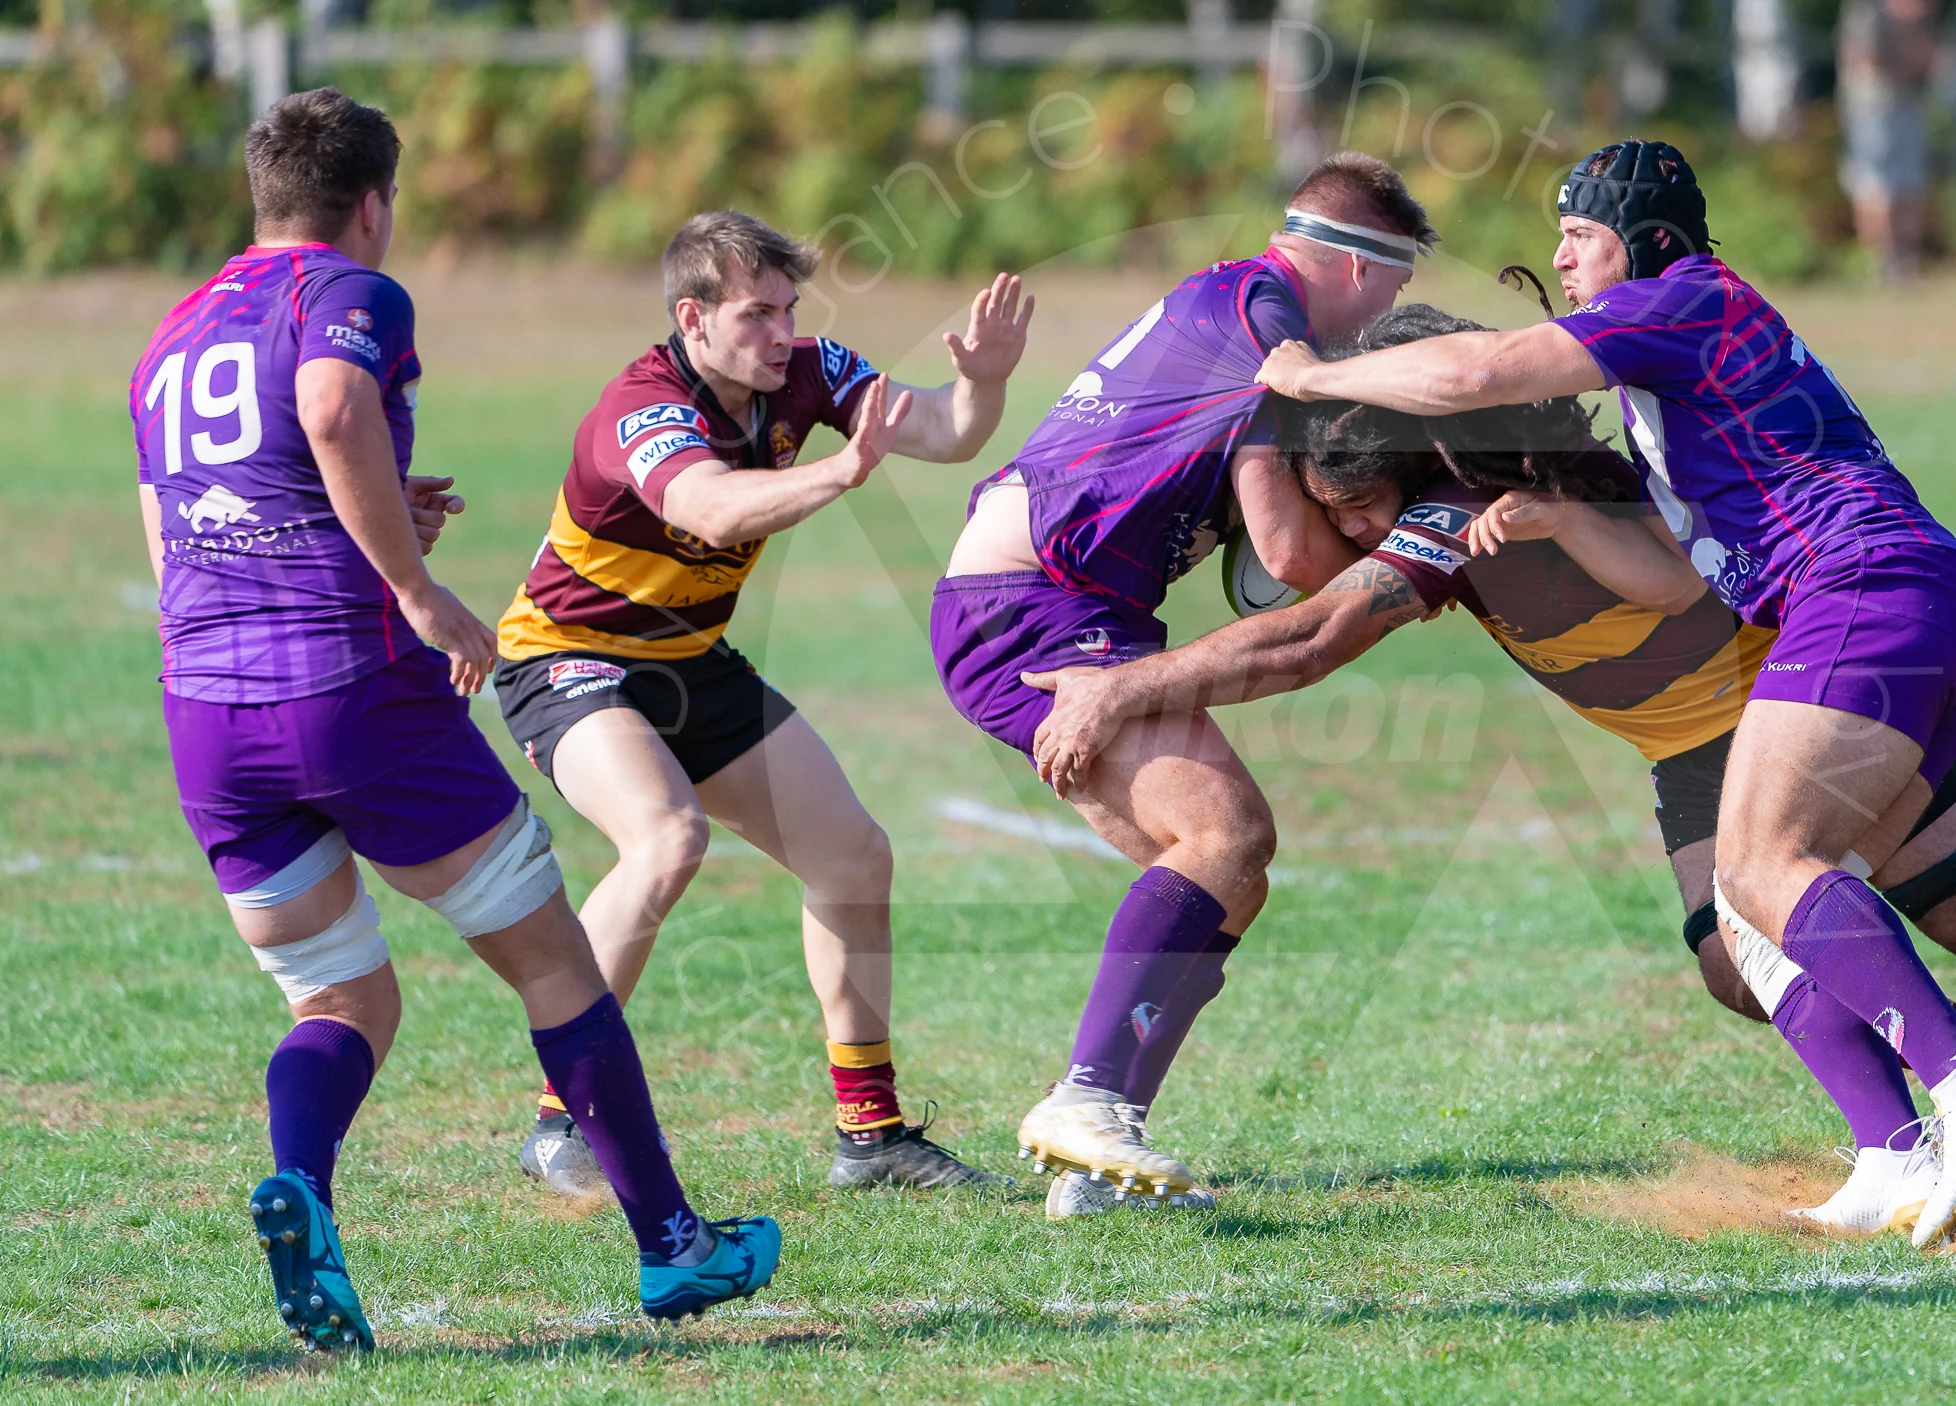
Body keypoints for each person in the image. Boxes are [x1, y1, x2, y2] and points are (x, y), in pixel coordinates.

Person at [1251, 141, 1956, 1244]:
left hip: (1865, 592)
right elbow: (1680, 570)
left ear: (1648, 243)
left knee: (1759, 868)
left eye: (1580, 235)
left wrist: (1308, 377)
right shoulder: (1663, 378)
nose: (1560, 256)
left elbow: (1477, 374)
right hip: (1908, 600)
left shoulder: (1676, 302)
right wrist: (1566, 520)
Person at [1024, 302, 1956, 1235]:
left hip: (1788, 711)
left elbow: (1310, 640)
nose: (1355, 536)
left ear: (1416, 469)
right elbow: (1302, 588)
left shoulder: (1476, 509)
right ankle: (1923, 1133)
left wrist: (1127, 684)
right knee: (1737, 959)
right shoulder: (1475, 508)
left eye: (1356, 507)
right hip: (1690, 743)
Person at [130, 89, 775, 1349]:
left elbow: (184, 524)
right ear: (372, 203)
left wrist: (349, 525)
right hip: (352, 693)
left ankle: (301, 1186)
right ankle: (672, 1244)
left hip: (207, 708)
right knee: (552, 964)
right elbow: (326, 408)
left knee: (342, 1004)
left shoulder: (174, 326)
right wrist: (418, 591)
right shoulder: (352, 293)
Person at [929, 151, 1427, 1218]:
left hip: (1048, 601)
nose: (1384, 322)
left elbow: (1267, 532)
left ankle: (1099, 1159)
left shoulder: (1233, 322)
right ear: (1347, 264)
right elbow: (1289, 558)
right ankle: (1088, 1099)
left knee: (1227, 871)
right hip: (1029, 602)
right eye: (1389, 293)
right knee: (1225, 833)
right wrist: (1422, 555)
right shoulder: (1262, 314)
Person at [493, 211, 1030, 1193]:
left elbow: (946, 432)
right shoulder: (641, 407)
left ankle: (871, 1137)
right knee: (664, 837)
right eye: (756, 314)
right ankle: (558, 1120)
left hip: (690, 656)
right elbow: (706, 505)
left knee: (853, 854)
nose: (780, 332)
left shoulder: (810, 369)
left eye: (788, 309)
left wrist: (981, 380)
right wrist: (842, 468)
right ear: (692, 318)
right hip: (566, 658)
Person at [1838, 0, 1938, 285]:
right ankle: (1877, 265)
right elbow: (1869, 58)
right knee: (1873, 187)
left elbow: (1933, 60)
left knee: (1909, 186)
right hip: (1872, 109)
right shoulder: (1868, 15)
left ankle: (1906, 265)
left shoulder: (1916, 22)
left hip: (1907, 106)